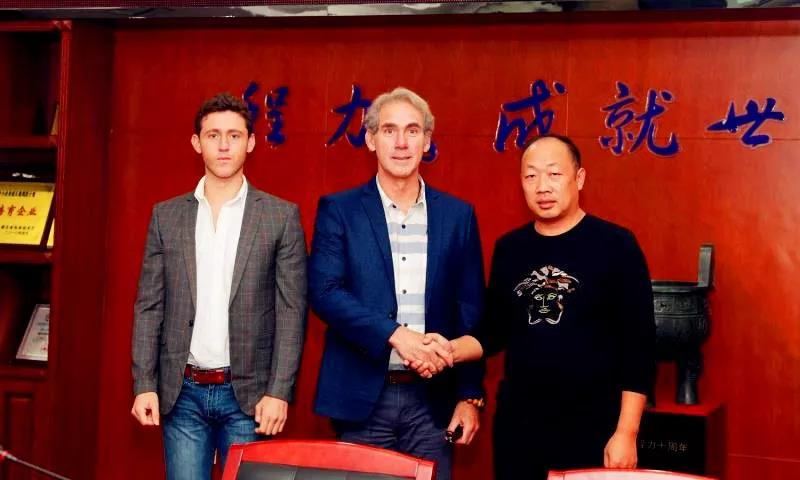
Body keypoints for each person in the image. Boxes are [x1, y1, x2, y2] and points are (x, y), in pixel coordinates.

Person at [308, 87, 485, 480]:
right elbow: (325, 293)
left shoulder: (458, 216)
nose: (401, 143)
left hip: (433, 401)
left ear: (427, 141)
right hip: (362, 397)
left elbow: (470, 311)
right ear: (371, 140)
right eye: (389, 130)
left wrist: (469, 395)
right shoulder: (339, 210)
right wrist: (396, 335)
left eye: (412, 130)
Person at [130, 93, 307, 479]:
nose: (224, 145)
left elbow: (291, 313)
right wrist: (144, 384)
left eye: (234, 135)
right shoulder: (167, 216)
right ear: (197, 143)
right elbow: (149, 306)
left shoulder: (279, 217)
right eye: (213, 135)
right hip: (182, 393)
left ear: (251, 142)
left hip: (250, 397)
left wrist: (279, 391)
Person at [480, 134, 656, 480]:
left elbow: (640, 347)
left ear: (579, 178)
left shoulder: (616, 245)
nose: (542, 187)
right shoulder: (509, 248)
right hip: (520, 429)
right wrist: (446, 350)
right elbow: (493, 331)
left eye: (554, 174)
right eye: (531, 176)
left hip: (593, 426)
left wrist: (626, 432)